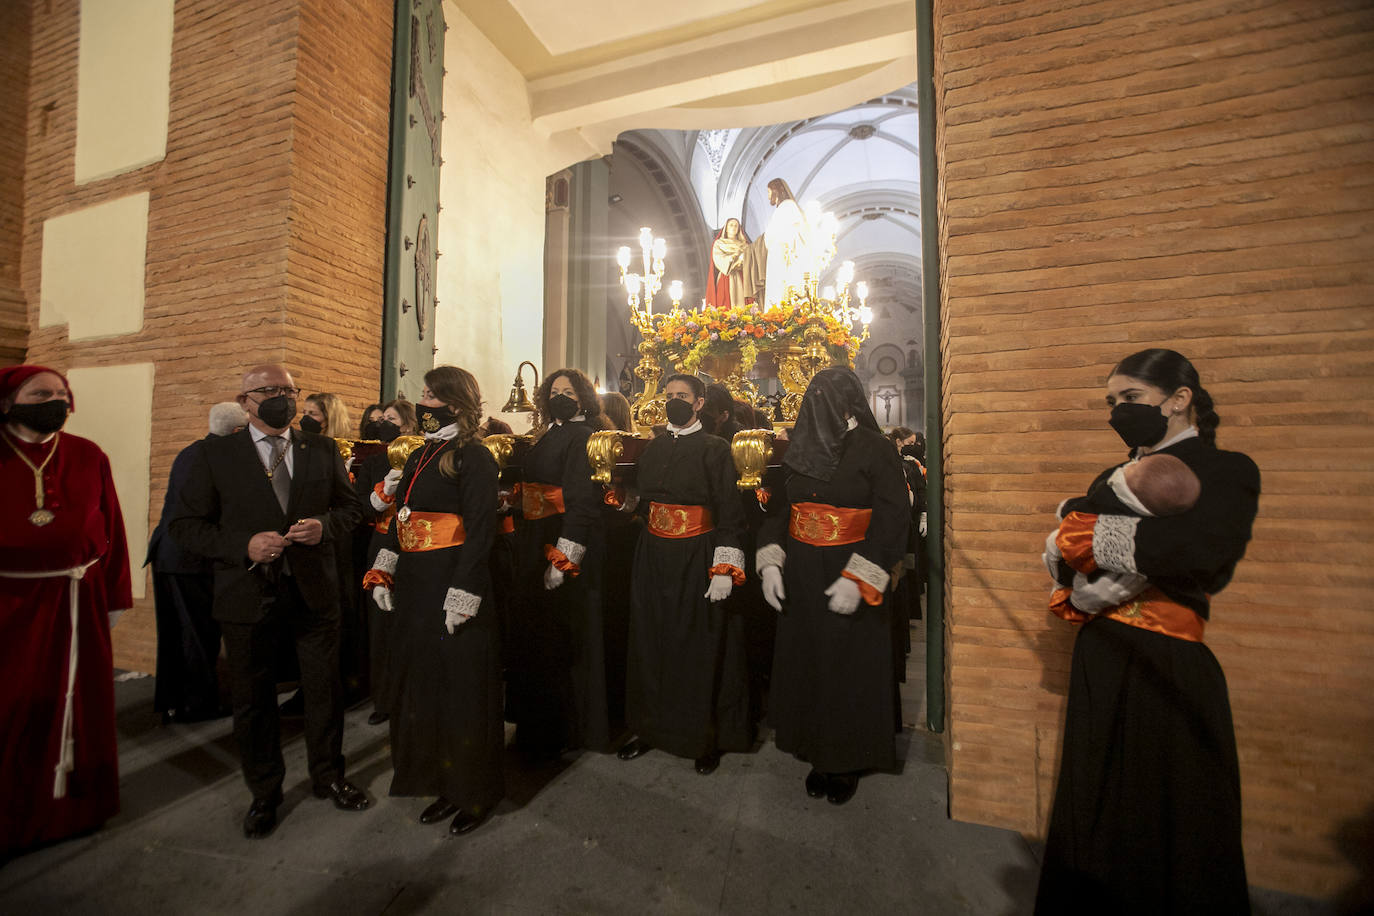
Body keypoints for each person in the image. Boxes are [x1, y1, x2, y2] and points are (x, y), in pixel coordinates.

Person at [1035, 348, 1260, 915]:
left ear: (1179, 399)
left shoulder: (1228, 470)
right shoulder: (1110, 477)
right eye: (1112, 401)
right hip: (1102, 650)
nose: (1118, 411)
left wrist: (1089, 541)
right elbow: (1066, 555)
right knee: (1092, 801)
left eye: (1131, 397)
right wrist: (1077, 568)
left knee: (1171, 812)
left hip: (1169, 661)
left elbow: (1201, 554)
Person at [170, 364, 368, 839]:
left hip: (314, 591)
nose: (282, 397)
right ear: (245, 402)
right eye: (269, 390)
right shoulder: (212, 454)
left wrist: (324, 526)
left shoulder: (322, 449)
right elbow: (185, 526)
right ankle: (264, 791)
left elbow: (351, 508)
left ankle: (329, 775)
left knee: (324, 690)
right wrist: (244, 545)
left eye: (289, 390)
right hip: (247, 593)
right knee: (253, 697)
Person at [756, 367, 908, 805]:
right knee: (810, 662)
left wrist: (860, 577)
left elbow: (892, 519)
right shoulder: (801, 448)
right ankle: (814, 746)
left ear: (848, 401)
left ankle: (846, 759)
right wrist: (770, 561)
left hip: (850, 567)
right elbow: (781, 512)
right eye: (813, 396)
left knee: (848, 667)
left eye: (825, 396)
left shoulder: (875, 448)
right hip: (802, 573)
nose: (816, 404)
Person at [363, 366, 504, 835]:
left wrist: (463, 594)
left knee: (461, 690)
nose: (422, 403)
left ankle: (474, 791)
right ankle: (440, 781)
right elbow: (401, 519)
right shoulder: (422, 453)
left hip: (452, 583)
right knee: (425, 687)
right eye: (422, 394)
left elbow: (481, 530)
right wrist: (384, 569)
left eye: (429, 395)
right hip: (416, 586)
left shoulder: (473, 455)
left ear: (454, 403)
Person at [0, 365, 132, 858]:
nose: (55, 400)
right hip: (10, 606)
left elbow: (112, 529)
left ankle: (77, 811)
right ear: (8, 403)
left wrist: (116, 595)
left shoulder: (87, 454)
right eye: (40, 394)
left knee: (80, 705)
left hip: (78, 600)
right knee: (14, 708)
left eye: (61, 393)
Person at [618, 373, 753, 774]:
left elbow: (730, 512)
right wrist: (623, 500)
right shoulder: (654, 447)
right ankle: (649, 728)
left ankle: (702, 737)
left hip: (697, 554)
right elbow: (644, 501)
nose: (674, 400)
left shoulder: (715, 449)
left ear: (699, 403)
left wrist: (724, 568)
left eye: (682, 395)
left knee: (695, 645)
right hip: (652, 555)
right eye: (669, 395)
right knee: (650, 640)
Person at [505, 368, 612, 756]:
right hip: (535, 537)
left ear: (583, 397)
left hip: (559, 539)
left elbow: (583, 503)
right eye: (553, 391)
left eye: (568, 391)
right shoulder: (549, 433)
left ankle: (563, 729)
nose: (560, 396)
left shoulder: (582, 436)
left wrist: (564, 558)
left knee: (559, 638)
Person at [147, 400, 247, 723]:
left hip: (167, 553)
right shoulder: (222, 458)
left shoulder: (190, 451)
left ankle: (171, 701)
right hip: (192, 558)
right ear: (237, 430)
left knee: (174, 633)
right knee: (199, 633)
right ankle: (198, 704)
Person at [353, 398, 415, 726]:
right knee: (380, 625)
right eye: (383, 419)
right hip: (381, 542)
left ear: (408, 424)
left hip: (416, 545)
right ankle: (385, 698)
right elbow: (360, 507)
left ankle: (414, 695)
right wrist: (381, 496)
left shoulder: (422, 456)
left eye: (392, 419)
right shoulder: (376, 462)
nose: (384, 424)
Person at [743, 178, 808, 307]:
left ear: (776, 191)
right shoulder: (783, 208)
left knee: (781, 291)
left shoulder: (788, 206)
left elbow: (774, 234)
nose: (768, 197)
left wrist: (751, 249)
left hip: (783, 256)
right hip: (777, 255)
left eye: (769, 192)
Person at [706, 218, 750, 310]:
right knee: (725, 305)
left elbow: (749, 262)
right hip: (725, 276)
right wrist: (735, 258)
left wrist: (741, 261)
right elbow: (719, 259)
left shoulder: (744, 245)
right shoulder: (719, 244)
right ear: (726, 228)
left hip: (740, 276)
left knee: (741, 304)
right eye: (731, 225)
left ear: (739, 229)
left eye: (736, 226)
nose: (733, 227)